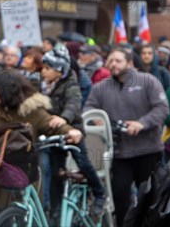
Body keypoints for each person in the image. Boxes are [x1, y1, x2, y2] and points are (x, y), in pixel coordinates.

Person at [84, 47, 169, 227]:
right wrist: (97, 119)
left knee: (150, 197)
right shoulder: (100, 88)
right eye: (110, 60)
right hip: (120, 153)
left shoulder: (148, 81)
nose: (113, 64)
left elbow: (162, 109)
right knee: (120, 195)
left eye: (118, 60)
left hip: (147, 151)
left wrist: (142, 123)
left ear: (129, 63)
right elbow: (88, 109)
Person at [0, 69, 85, 213]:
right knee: (1, 215)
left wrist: (70, 131)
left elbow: (51, 124)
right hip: (0, 173)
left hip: (26, 171)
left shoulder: (31, 110)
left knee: (29, 214)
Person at [40, 44, 106, 217]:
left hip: (72, 131)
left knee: (84, 163)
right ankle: (57, 208)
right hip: (53, 133)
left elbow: (74, 104)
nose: (43, 72)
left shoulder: (71, 83)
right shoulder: (44, 85)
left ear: (59, 70)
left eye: (47, 68)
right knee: (56, 171)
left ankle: (100, 193)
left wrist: (65, 118)